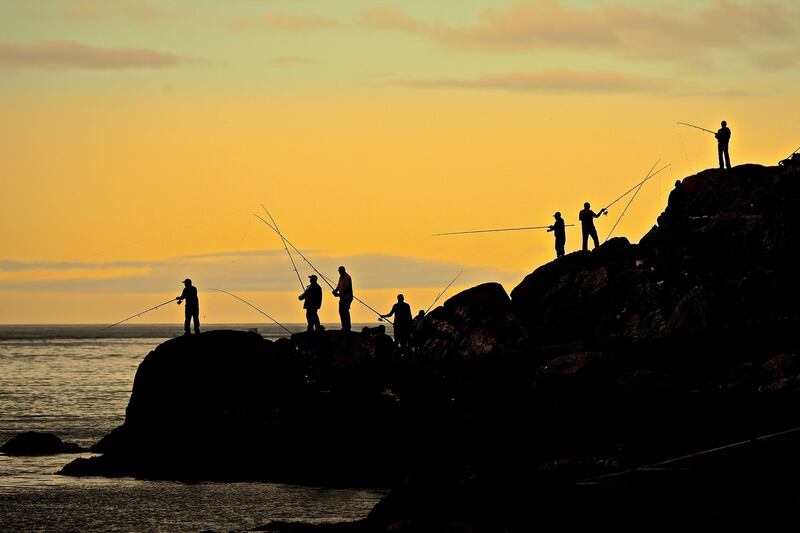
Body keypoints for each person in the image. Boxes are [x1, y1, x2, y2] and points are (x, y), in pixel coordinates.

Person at [332, 265, 353, 332]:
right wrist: (335, 291)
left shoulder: (347, 278)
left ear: (343, 271)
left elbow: (346, 288)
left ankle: (347, 327)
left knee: (345, 312)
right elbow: (339, 286)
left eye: (340, 271)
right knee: (341, 311)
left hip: (347, 298)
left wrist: (339, 294)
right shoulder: (341, 277)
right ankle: (344, 326)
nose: (339, 273)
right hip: (342, 298)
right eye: (339, 272)